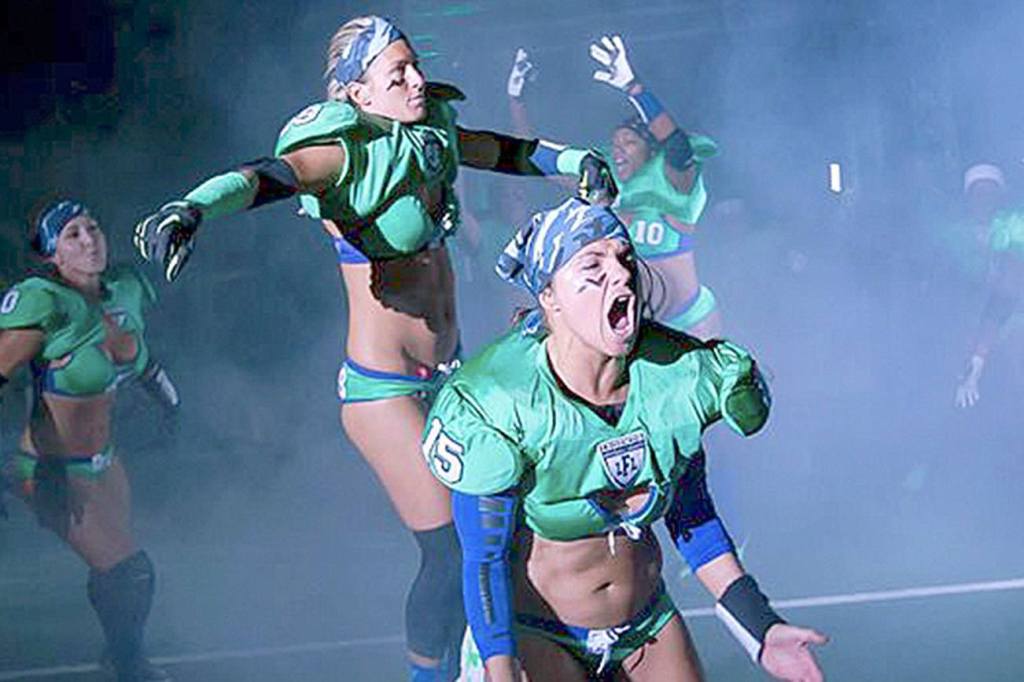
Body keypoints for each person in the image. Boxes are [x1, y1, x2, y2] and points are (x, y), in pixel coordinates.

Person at [132, 16, 615, 681]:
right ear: (357, 93)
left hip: (451, 376)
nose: (416, 80)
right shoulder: (343, 150)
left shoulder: (431, 128)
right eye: (397, 74)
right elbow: (267, 177)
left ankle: (504, 662)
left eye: (415, 65)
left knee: (505, 534)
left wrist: (571, 161)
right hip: (385, 389)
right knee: (452, 549)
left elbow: (501, 150)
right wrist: (192, 208)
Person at [423, 197, 827, 681]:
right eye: (592, 265)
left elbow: (692, 516)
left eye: (624, 258)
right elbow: (483, 558)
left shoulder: (676, 377)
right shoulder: (498, 399)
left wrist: (761, 626)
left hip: (648, 625)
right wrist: (500, 667)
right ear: (550, 295)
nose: (620, 274)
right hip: (540, 632)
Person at [0, 199, 180, 681]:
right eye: (73, 234)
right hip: (52, 468)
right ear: (52, 253)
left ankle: (120, 654)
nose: (89, 240)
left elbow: (141, 361)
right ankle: (130, 666)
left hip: (104, 460)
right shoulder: (45, 305)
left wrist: (171, 404)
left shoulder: (123, 290)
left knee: (114, 567)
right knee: (130, 569)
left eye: (93, 228)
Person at [506, 36, 722, 339]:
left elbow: (677, 146)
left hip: (687, 321)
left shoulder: (675, 185)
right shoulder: (607, 186)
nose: (618, 149)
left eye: (629, 142)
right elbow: (541, 161)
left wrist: (633, 87)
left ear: (650, 149)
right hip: (637, 326)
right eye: (615, 143)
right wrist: (515, 101)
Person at [954, 163, 1024, 407]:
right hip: (974, 320)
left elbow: (1009, 285)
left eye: (991, 193)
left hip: (1012, 319)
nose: (985, 200)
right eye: (978, 193)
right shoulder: (955, 234)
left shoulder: (1015, 225)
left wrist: (978, 360)